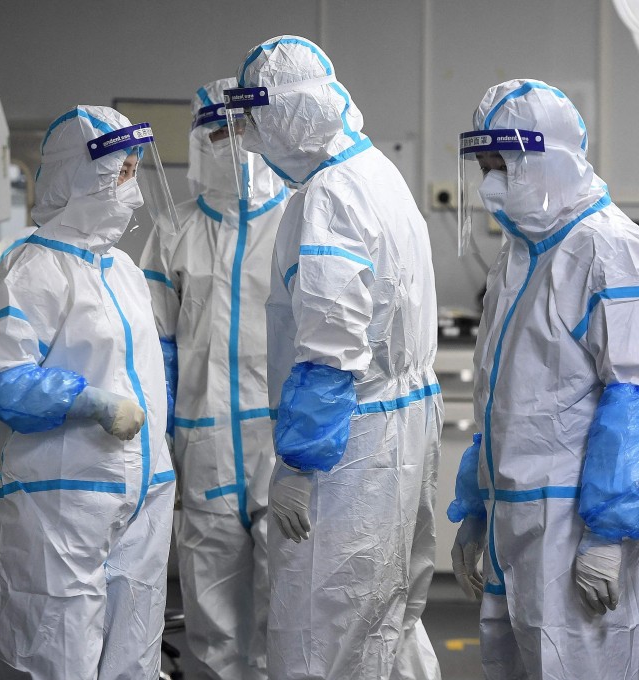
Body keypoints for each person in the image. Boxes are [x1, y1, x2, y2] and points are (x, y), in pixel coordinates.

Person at [447, 79, 639, 679]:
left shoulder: (610, 248)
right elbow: (501, 402)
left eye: (505, 165)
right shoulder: (521, 255)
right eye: (485, 167)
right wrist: (476, 508)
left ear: (549, 156)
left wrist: (609, 535)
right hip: (516, 529)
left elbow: (637, 402)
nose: (492, 183)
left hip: (577, 536)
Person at [227, 36, 443, 680]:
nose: (254, 136)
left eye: (257, 117)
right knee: (390, 619)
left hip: (350, 448)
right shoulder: (377, 172)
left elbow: (329, 347)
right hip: (400, 431)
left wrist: (298, 461)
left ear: (288, 113)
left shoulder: (327, 195)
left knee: (319, 634)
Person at [0, 105, 177, 680]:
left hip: (144, 495)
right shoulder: (29, 270)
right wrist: (89, 402)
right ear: (78, 175)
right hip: (62, 507)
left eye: (134, 169)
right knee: (56, 659)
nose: (131, 184)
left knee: (133, 659)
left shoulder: (121, 268)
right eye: (119, 172)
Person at [139, 77, 289, 680]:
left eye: (241, 130)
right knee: (211, 621)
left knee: (289, 612)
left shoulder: (300, 223)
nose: (231, 145)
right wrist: (162, 440)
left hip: (284, 445)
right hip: (203, 449)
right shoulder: (173, 231)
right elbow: (155, 352)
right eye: (217, 131)